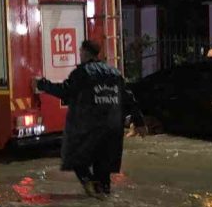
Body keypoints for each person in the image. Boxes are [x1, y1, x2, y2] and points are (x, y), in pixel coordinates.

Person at [34, 39, 144, 198]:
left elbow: (65, 92)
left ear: (85, 52)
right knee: (104, 169)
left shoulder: (82, 73)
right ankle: (102, 195)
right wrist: (139, 122)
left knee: (76, 159)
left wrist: (41, 84)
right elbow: (129, 98)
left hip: (89, 128)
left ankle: (91, 186)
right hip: (113, 129)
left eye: (80, 51)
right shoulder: (115, 73)